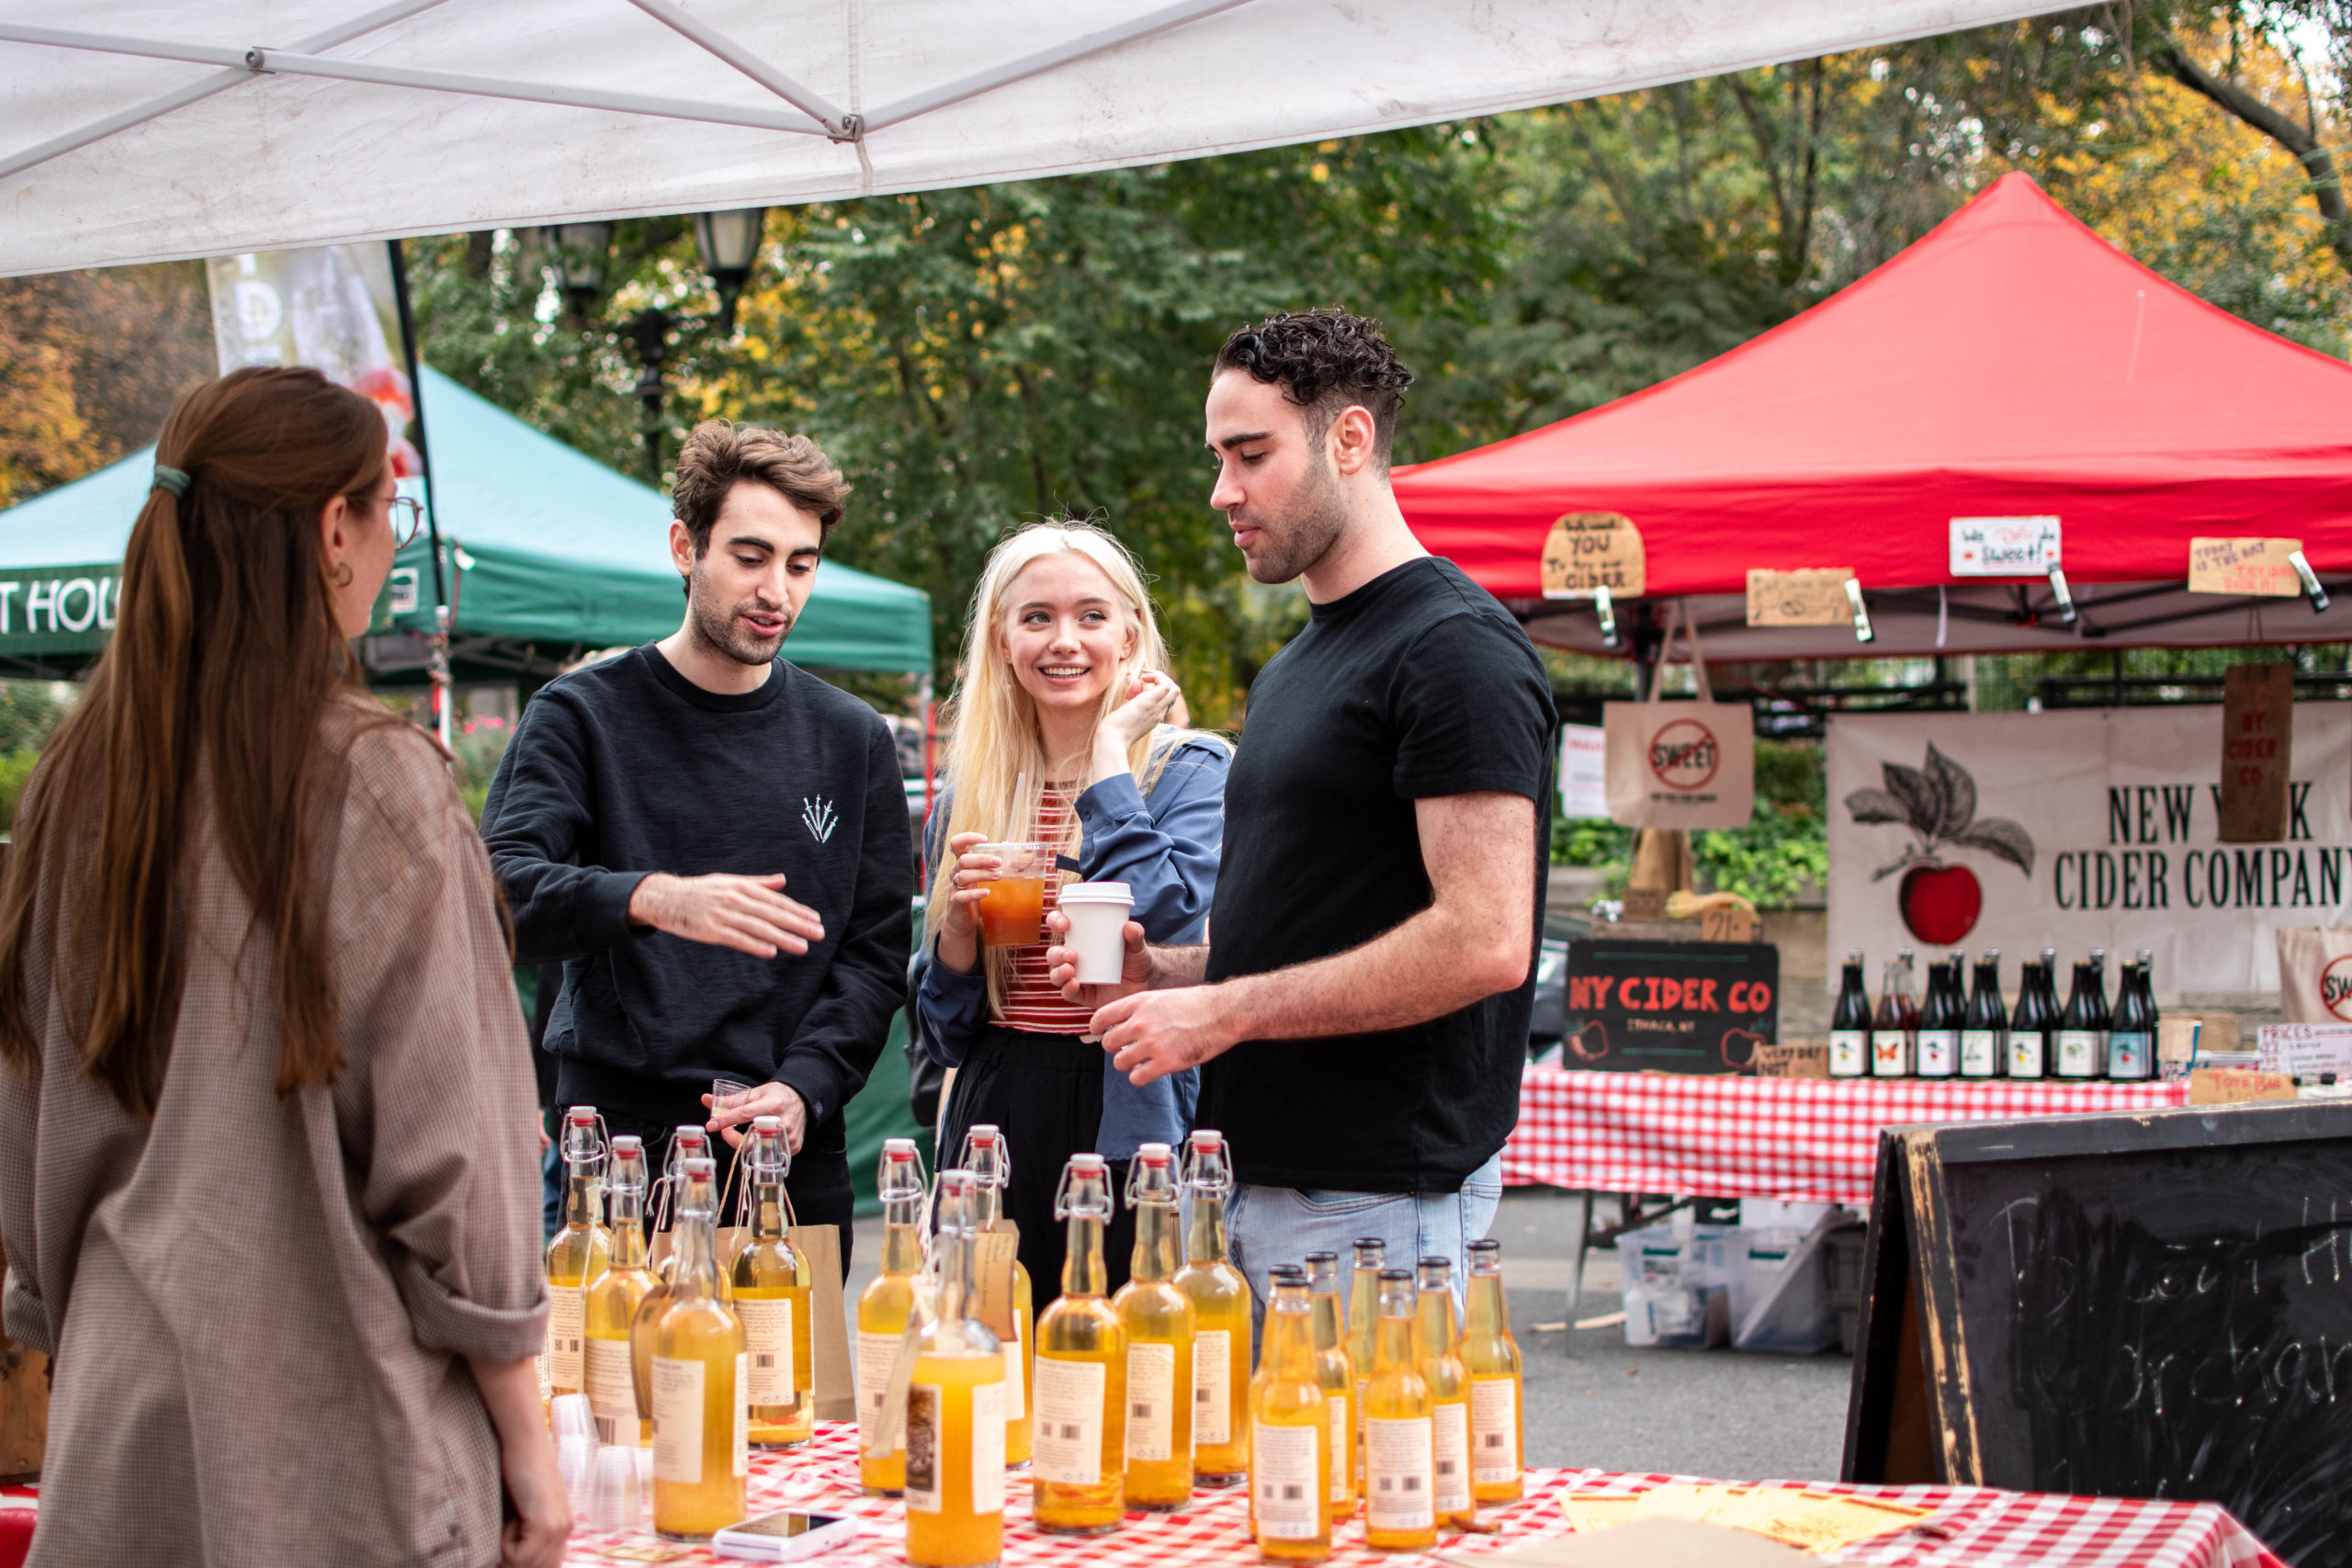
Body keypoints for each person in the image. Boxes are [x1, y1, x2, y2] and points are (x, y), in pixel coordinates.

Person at [0, 367, 562, 1567]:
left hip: (117, 1444)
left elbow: (25, 1144)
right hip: (340, 1453)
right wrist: (532, 1447)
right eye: (389, 514)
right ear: (333, 531)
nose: (391, 541)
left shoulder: (69, 788)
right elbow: (459, 1161)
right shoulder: (378, 784)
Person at [1049, 310, 1555, 1316]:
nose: (1220, 492)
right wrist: (1172, 972)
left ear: (1349, 440)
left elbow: (1487, 941)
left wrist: (1222, 1012)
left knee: (1362, 1482)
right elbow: (1315, 927)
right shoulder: (1295, 666)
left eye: (1250, 455)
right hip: (1261, 1184)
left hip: (1380, 1205)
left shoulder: (1455, 651)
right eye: (1217, 456)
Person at [481, 423, 911, 1259]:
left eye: (801, 563)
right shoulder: (580, 715)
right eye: (750, 557)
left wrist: (804, 1087)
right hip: (619, 1154)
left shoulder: (852, 737)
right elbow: (497, 892)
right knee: (613, 1392)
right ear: (686, 547)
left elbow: (874, 954)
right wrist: (652, 896)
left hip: (787, 1149)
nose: (776, 591)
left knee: (800, 1393)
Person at [915, 521, 1227, 1304]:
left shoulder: (1192, 770)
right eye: (1036, 617)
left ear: (1130, 632)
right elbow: (943, 1033)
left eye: (1091, 615)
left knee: (1120, 1355)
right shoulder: (970, 792)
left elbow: (1168, 923)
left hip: (1131, 1095)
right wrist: (956, 934)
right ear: (1001, 639)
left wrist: (1111, 758)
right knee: (987, 1361)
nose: (1065, 640)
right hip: (997, 1107)